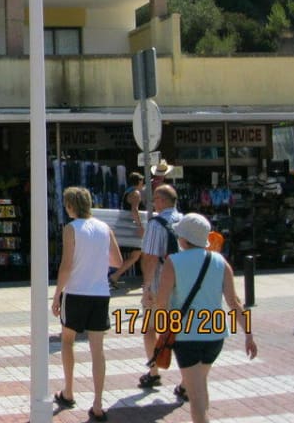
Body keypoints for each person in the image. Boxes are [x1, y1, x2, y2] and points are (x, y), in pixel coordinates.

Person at [156, 213, 257, 423]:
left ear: (183, 238)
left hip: (185, 336)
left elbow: (162, 302)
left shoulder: (173, 261)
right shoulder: (220, 261)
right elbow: (234, 302)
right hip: (215, 336)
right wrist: (248, 334)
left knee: (196, 398)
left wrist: (162, 330)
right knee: (200, 386)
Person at [52, 186, 122, 422]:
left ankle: (69, 391)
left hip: (76, 292)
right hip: (100, 293)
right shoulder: (104, 228)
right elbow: (117, 260)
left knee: (68, 341)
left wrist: (57, 294)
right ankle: (98, 403)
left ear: (71, 205)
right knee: (97, 350)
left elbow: (66, 265)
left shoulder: (71, 229)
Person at [139, 177, 183, 388]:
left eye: (155, 199)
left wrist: (146, 287)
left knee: (150, 328)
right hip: (183, 286)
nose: (153, 203)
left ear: (162, 201)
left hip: (159, 284)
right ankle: (186, 381)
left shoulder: (156, 225)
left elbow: (150, 258)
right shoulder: (185, 221)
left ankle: (153, 371)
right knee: (182, 331)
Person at [108, 173, 145, 288]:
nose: (143, 184)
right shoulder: (135, 193)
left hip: (129, 228)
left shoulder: (127, 192)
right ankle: (114, 276)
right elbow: (134, 210)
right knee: (137, 255)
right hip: (133, 229)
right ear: (138, 181)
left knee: (137, 255)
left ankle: (115, 276)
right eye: (142, 181)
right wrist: (140, 226)